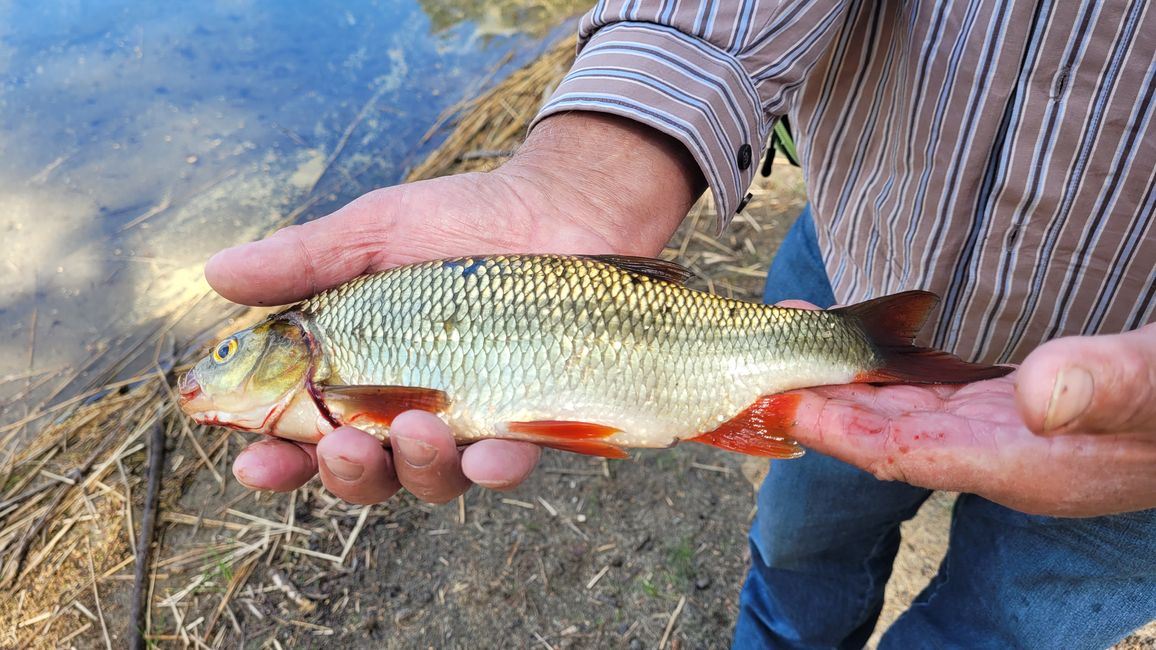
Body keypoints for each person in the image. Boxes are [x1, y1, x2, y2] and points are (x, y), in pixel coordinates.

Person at [206, 0, 1156, 646]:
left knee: (1010, 627)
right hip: (855, 248)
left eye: (223, 352)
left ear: (284, 350)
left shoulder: (339, 369)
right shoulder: (337, 357)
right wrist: (594, 169)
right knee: (795, 545)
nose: (211, 370)